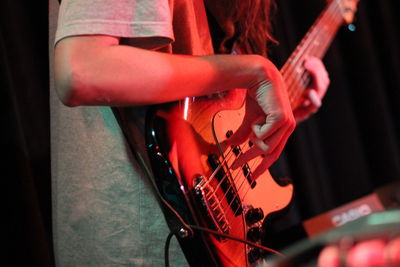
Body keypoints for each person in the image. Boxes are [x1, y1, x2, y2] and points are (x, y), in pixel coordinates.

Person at [50, 0, 329, 266]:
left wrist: (273, 119)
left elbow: (199, 106)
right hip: (141, 236)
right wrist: (256, 72)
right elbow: (82, 70)